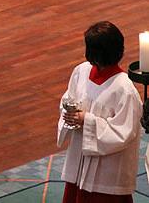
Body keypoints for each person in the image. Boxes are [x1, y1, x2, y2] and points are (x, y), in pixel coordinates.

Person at [58, 21, 142, 203]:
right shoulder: (81, 71)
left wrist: (85, 120)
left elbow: (124, 132)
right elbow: (68, 98)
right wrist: (69, 114)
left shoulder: (124, 89)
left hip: (107, 174)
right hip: (80, 161)